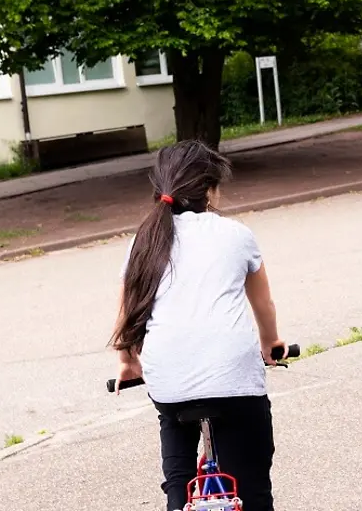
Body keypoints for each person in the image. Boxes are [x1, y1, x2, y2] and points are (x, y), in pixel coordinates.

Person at [109, 139, 286, 511]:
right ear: (210, 189)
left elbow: (127, 315)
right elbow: (263, 305)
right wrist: (271, 345)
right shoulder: (236, 235)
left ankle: (178, 500)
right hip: (233, 378)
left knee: (173, 420)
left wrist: (127, 364)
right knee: (253, 486)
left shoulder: (143, 242)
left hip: (169, 379)